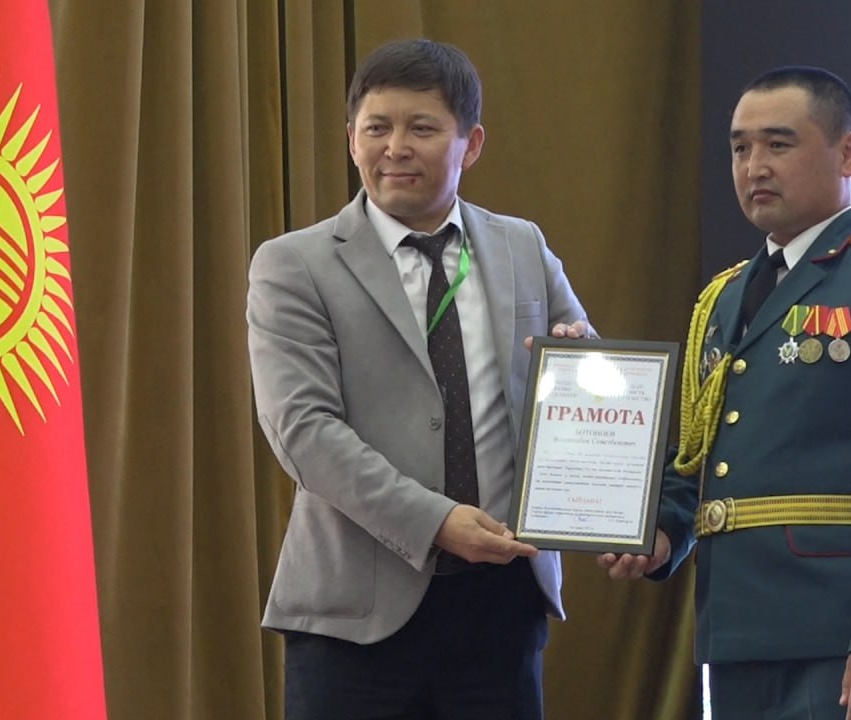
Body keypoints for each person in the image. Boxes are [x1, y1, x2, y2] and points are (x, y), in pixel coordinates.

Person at [598, 66, 851, 720]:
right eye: (740, 147)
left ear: (847, 153)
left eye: (778, 144)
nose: (754, 166)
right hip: (739, 635)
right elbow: (702, 457)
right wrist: (661, 531)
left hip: (844, 637)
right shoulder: (724, 297)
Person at [246, 38, 592, 720]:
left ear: (472, 143)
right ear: (351, 139)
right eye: (377, 127)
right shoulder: (294, 265)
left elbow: (596, 379)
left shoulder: (522, 245)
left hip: (501, 605)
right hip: (354, 616)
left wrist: (584, 369)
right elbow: (303, 431)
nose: (396, 148)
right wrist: (435, 522)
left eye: (422, 129)